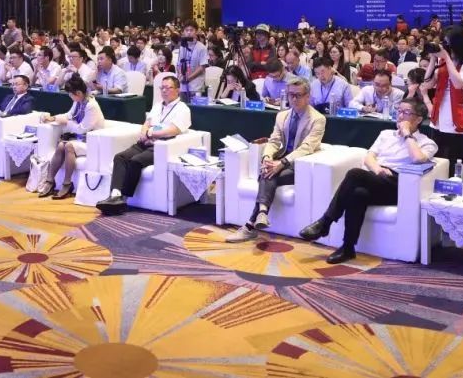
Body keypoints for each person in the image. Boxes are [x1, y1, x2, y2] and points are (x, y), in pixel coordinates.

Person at [299, 98, 438, 264]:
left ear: (418, 119)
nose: (400, 116)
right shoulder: (386, 134)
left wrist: (407, 134)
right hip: (377, 177)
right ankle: (348, 248)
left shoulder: (427, 143)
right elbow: (369, 157)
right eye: (399, 111)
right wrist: (378, 170)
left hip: (399, 185)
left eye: (406, 113)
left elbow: (417, 158)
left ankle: (325, 222)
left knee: (354, 174)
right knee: (358, 194)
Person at [226, 78, 325, 242]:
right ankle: (261, 214)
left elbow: (306, 148)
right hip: (281, 160)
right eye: (291, 95)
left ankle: (251, 225)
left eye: (298, 95)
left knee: (267, 174)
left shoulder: (318, 119)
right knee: (268, 170)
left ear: (308, 96)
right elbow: (274, 141)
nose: (294, 99)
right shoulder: (282, 116)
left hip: (300, 165)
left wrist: (282, 163)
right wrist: (267, 157)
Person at [96, 75, 191, 215]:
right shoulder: (158, 106)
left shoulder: (182, 109)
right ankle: (114, 195)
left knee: (135, 161)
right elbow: (146, 123)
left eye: (168, 88)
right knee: (120, 157)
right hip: (146, 142)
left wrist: (151, 134)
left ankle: (122, 199)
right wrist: (144, 133)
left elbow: (174, 130)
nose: (164, 91)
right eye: (162, 88)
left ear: (177, 90)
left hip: (162, 146)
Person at [423, 26, 463, 187]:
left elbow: (458, 84)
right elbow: (428, 83)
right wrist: (433, 59)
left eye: (448, 43)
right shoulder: (442, 61)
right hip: (441, 117)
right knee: (442, 163)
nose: (445, 47)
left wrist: (447, 59)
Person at [38, 75, 104, 199]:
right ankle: (50, 181)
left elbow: (82, 129)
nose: (69, 96)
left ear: (78, 93)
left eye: (70, 94)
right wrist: (53, 118)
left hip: (92, 142)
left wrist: (66, 123)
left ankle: (67, 184)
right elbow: (69, 115)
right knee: (61, 145)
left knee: (68, 145)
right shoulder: (78, 101)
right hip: (80, 139)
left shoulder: (92, 106)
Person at [175, 21, 208, 97]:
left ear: (196, 31)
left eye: (191, 30)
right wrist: (180, 75)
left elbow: (202, 67)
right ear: (183, 32)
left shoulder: (202, 47)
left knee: (195, 104)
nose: (189, 32)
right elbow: (179, 64)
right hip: (183, 85)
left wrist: (188, 78)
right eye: (186, 30)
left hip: (196, 85)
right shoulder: (182, 47)